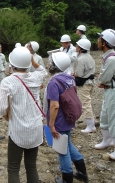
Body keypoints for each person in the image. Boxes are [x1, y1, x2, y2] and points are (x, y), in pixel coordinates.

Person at [0, 47, 47, 183]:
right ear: (28, 63)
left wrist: (6, 116)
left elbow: (1, 109)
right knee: (31, 167)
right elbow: (42, 70)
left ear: (11, 64)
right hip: (36, 128)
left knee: (13, 168)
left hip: (17, 129)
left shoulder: (7, 82)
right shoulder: (36, 77)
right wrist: (31, 59)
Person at [46, 52, 88, 183]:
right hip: (69, 117)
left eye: (50, 62)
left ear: (54, 65)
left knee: (62, 150)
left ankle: (67, 179)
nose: (48, 64)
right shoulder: (69, 78)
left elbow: (54, 106)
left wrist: (51, 125)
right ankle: (82, 173)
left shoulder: (54, 82)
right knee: (68, 144)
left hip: (59, 121)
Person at [95, 29, 115, 160]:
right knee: (104, 117)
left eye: (99, 39)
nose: (97, 41)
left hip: (114, 92)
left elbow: (103, 79)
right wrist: (102, 81)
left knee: (114, 120)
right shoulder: (110, 57)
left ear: (104, 43)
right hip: (110, 90)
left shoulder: (112, 59)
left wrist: (102, 81)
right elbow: (104, 79)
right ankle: (107, 141)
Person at [74, 39, 96, 133]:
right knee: (88, 103)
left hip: (84, 84)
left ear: (80, 48)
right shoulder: (89, 56)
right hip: (90, 82)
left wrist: (72, 74)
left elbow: (78, 74)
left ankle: (91, 126)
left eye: (77, 46)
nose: (76, 47)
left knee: (85, 104)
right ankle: (90, 124)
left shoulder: (80, 59)